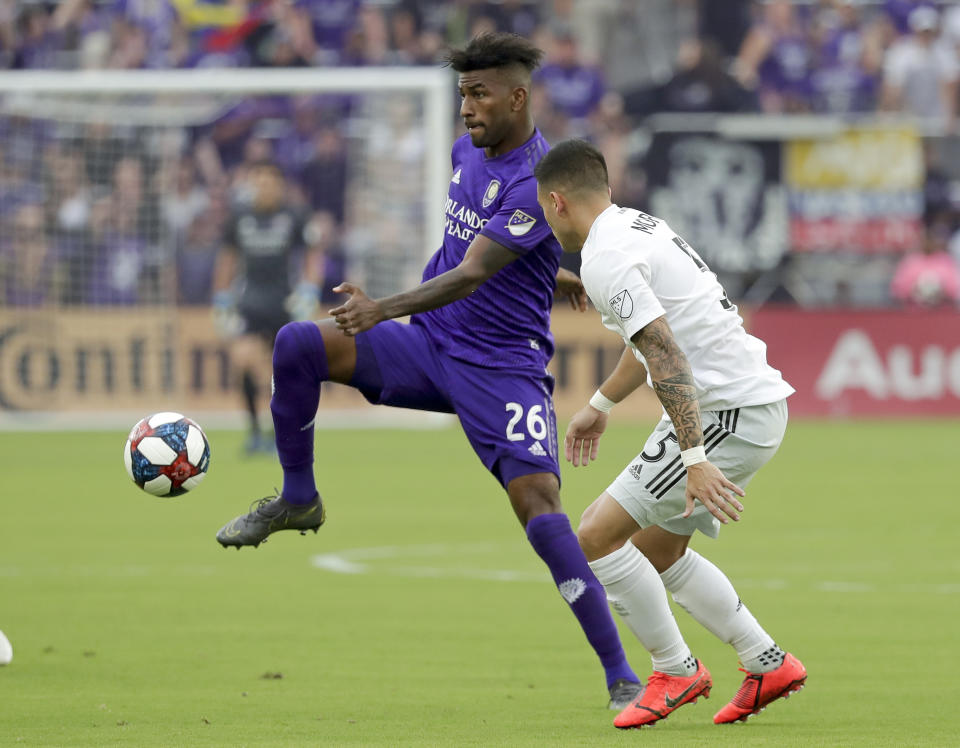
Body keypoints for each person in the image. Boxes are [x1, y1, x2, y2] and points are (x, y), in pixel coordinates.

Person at [214, 32, 644, 710]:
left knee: (537, 506)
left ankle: (621, 674)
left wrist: (381, 309)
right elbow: (480, 248)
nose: (466, 108)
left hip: (502, 371)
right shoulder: (463, 151)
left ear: (518, 97)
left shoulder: (537, 179)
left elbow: (475, 272)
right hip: (431, 344)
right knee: (299, 344)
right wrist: (557, 277)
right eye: (462, 93)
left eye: (479, 94)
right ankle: (299, 498)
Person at [533, 139, 806, 729]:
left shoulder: (604, 259)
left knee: (597, 535)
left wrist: (696, 457)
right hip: (743, 403)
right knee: (657, 550)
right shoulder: (638, 225)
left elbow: (668, 356)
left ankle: (676, 671)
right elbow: (654, 343)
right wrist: (602, 403)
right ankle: (767, 663)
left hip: (724, 411)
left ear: (557, 203)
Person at [212, 160, 323, 454]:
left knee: (284, 371)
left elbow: (313, 254)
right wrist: (221, 299)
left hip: (284, 304)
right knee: (244, 362)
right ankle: (254, 432)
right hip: (250, 303)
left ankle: (282, 433)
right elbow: (227, 258)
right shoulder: (239, 217)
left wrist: (310, 291)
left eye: (269, 182)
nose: (264, 187)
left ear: (279, 186)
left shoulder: (295, 215)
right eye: (258, 182)